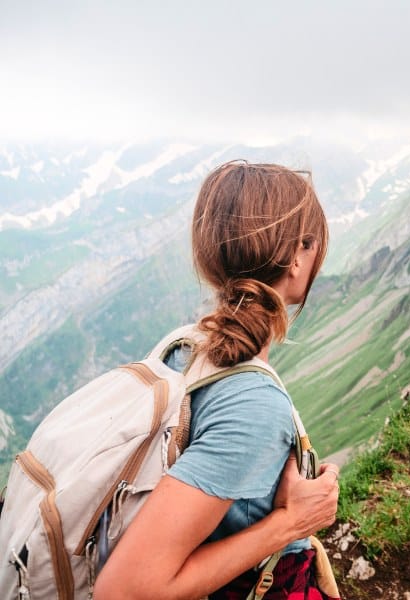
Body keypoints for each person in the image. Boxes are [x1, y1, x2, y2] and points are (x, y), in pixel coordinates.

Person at [94, 161, 340, 599]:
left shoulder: (184, 347)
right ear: (296, 258)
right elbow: (124, 590)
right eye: (314, 242)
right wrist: (291, 523)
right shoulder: (252, 404)